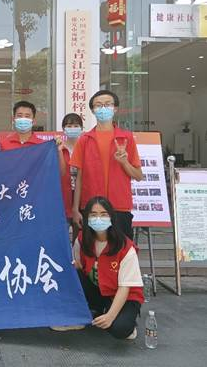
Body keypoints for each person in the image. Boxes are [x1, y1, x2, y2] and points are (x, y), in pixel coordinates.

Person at [71, 90, 143, 240]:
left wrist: (124, 162)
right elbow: (80, 178)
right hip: (91, 207)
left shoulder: (126, 138)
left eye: (107, 104)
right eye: (98, 105)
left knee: (121, 250)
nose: (103, 108)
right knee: (90, 250)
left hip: (119, 206)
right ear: (92, 110)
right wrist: (75, 209)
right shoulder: (84, 140)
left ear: (115, 108)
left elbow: (138, 176)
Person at [73, 196, 143, 340]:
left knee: (120, 329)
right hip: (99, 291)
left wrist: (111, 316)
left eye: (103, 214)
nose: (98, 219)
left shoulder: (125, 247)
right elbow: (77, 266)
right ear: (87, 218)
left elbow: (124, 288)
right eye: (93, 215)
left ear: (111, 217)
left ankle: (115, 316)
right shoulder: (81, 240)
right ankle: (97, 311)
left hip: (124, 296)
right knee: (74, 274)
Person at [57, 113, 84, 241]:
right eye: (69, 126)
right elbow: (60, 172)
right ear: (63, 129)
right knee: (61, 236)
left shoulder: (86, 147)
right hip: (63, 195)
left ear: (81, 128)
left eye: (76, 126)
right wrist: (59, 151)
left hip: (83, 195)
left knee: (81, 237)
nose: (72, 128)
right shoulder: (58, 148)